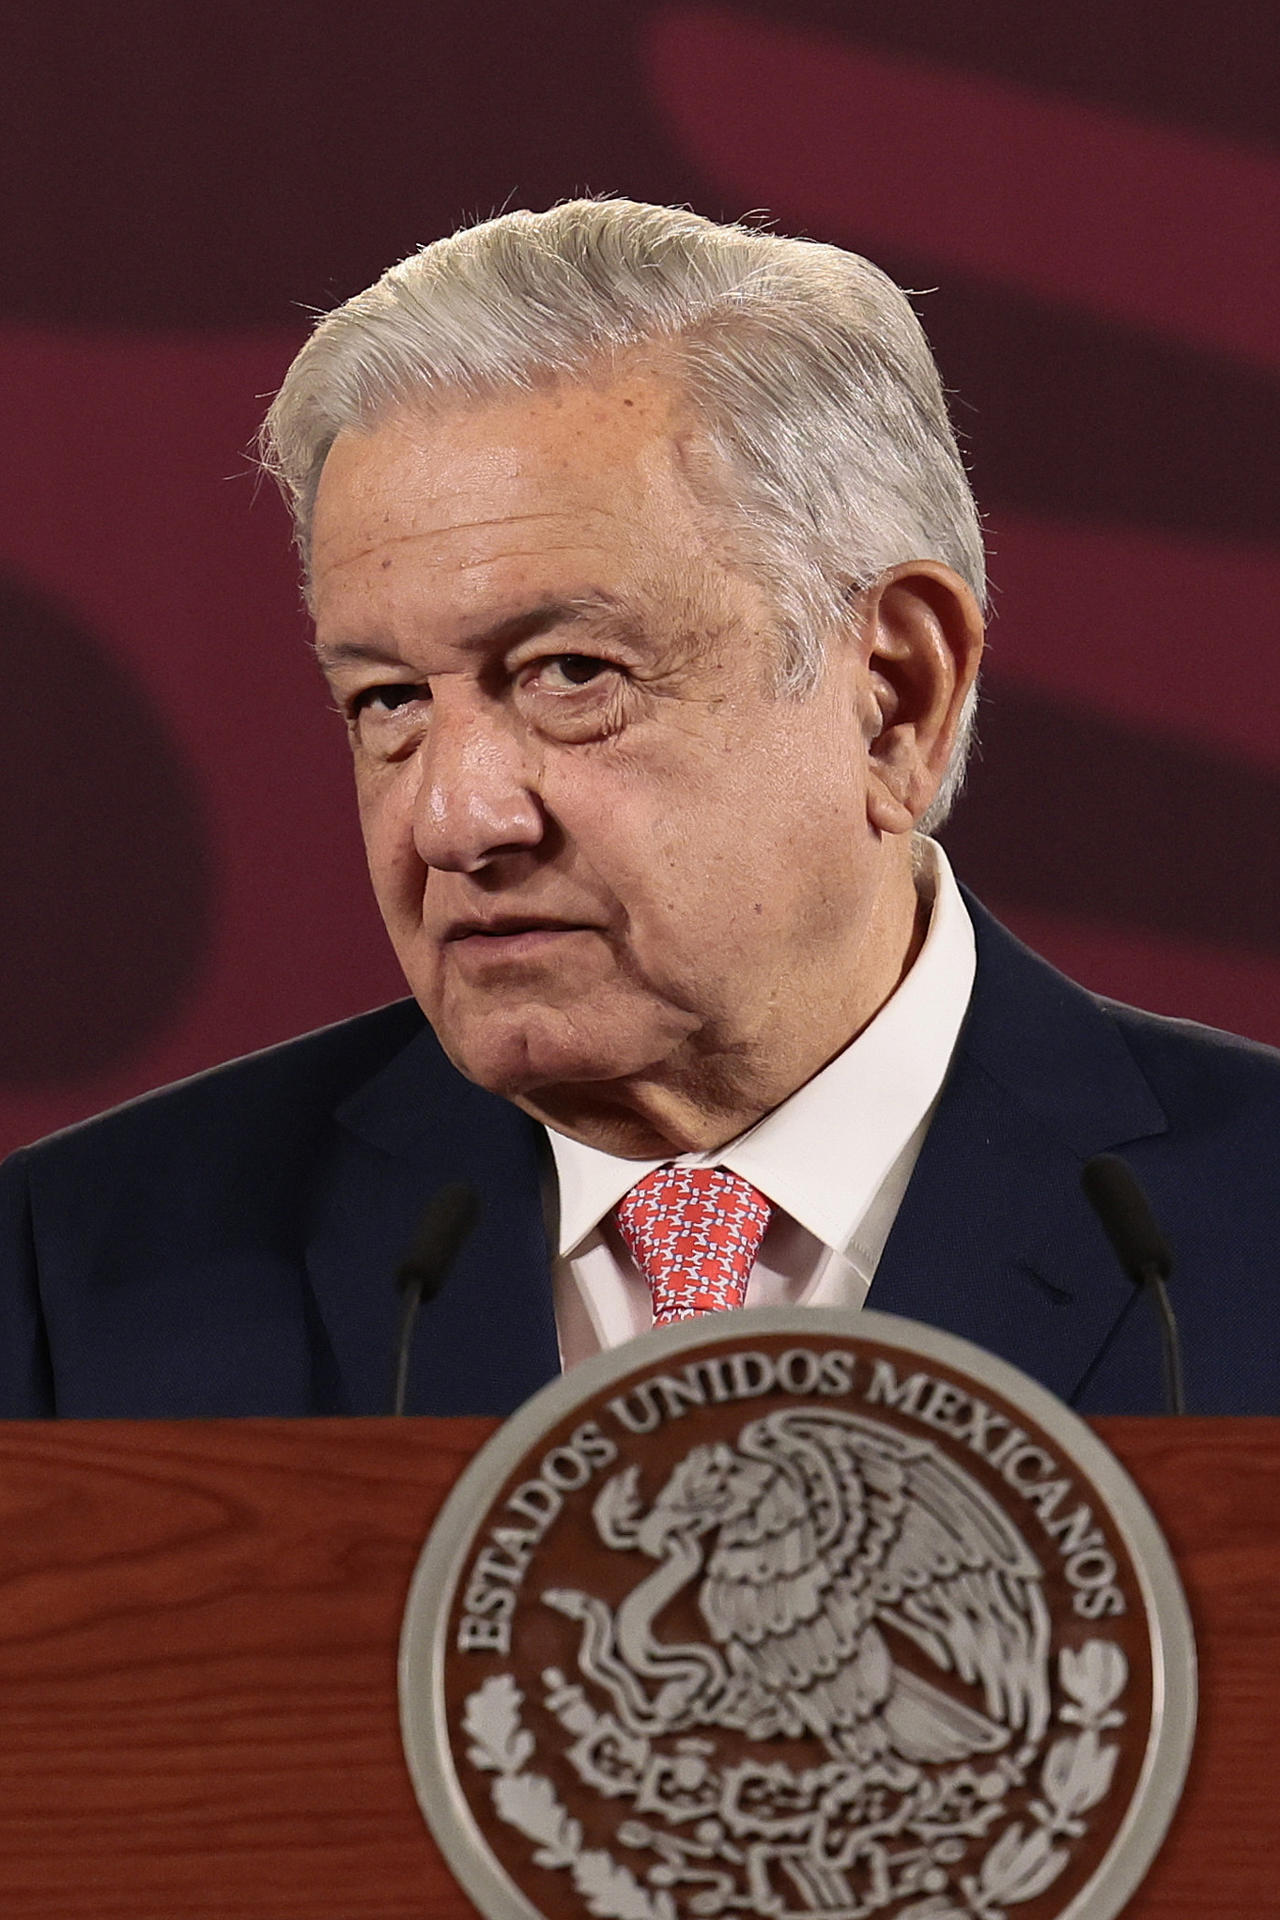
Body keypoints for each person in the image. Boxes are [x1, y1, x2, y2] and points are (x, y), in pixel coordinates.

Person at [1, 199, 1276, 1418]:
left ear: (893, 695)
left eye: (569, 675)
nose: (454, 819)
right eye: (390, 700)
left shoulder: (1236, 1234)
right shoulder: (78, 1278)